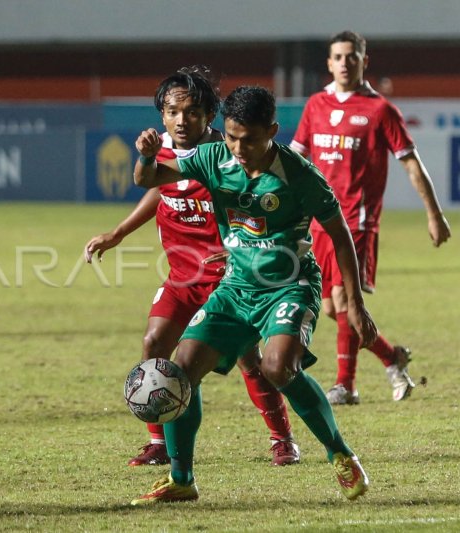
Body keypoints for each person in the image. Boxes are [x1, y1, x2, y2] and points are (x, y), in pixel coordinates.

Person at [130, 85, 376, 505]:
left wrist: (354, 302)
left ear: (273, 131)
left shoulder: (300, 174)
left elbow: (339, 236)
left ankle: (340, 453)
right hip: (235, 289)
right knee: (179, 373)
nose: (239, 148)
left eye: (250, 138)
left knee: (277, 367)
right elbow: (147, 180)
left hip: (290, 286)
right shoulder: (211, 158)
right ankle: (182, 479)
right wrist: (148, 156)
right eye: (231, 136)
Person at [84, 67, 300, 467]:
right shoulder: (162, 151)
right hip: (183, 275)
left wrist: (240, 250)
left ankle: (282, 438)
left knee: (249, 359)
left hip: (229, 279)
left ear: (209, 116)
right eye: (173, 111)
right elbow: (159, 191)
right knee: (154, 343)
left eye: (193, 112)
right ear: (162, 115)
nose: (182, 120)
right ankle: (160, 442)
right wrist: (117, 233)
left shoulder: (227, 154)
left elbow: (256, 207)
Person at [291, 31, 451, 405]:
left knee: (345, 302)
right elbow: (296, 159)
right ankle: (391, 357)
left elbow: (411, 164)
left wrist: (435, 214)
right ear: (329, 63)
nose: (345, 62)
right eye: (338, 56)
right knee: (331, 307)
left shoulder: (380, 110)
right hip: (319, 221)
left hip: (356, 222)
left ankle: (345, 385)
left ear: (365, 60)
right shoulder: (315, 104)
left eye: (352, 56)